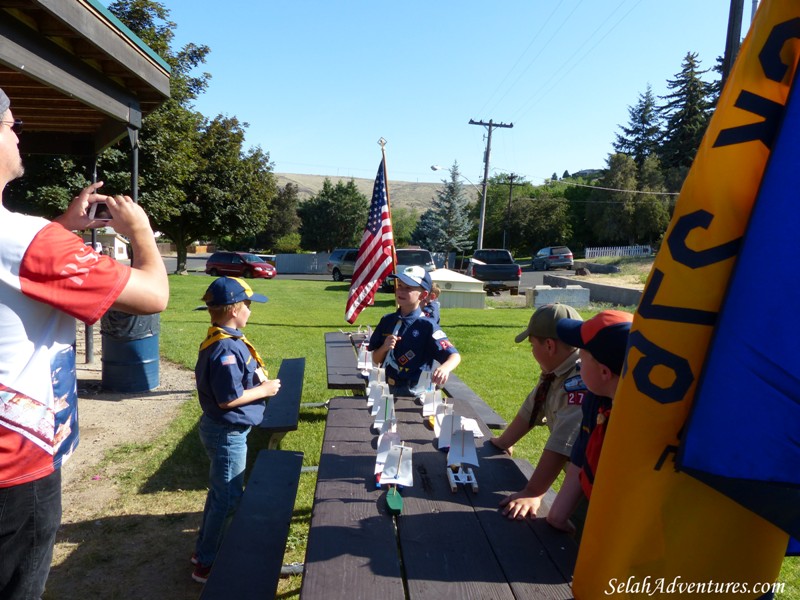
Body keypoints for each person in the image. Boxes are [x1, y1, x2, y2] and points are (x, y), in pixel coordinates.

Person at [0, 87, 169, 598]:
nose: (18, 133)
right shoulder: (28, 240)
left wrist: (63, 228)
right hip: (15, 464)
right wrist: (141, 233)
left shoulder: (31, 241)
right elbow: (153, 294)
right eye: (11, 125)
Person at [192, 276, 281, 583]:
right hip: (227, 433)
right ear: (234, 310)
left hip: (225, 430)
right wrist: (265, 390)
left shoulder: (225, 340)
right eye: (248, 305)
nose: (250, 312)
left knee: (221, 494)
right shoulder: (225, 350)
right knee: (228, 498)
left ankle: (203, 549)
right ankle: (207, 563)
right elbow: (229, 399)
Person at [492, 303, 587, 520]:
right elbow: (532, 409)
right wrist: (503, 442)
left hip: (598, 486)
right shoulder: (556, 370)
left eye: (532, 345)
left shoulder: (579, 381)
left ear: (550, 346)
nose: (532, 351)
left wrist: (533, 492)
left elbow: (564, 440)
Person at [545, 310, 633, 536]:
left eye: (581, 358)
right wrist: (558, 515)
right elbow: (582, 452)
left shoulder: (638, 421)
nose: (577, 363)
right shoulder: (597, 399)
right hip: (591, 498)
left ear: (604, 372)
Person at [369, 266, 460, 398]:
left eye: (408, 288)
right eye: (400, 285)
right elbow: (375, 359)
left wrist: (444, 368)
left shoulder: (427, 326)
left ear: (423, 295)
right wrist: (384, 347)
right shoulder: (387, 321)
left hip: (416, 393)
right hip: (386, 389)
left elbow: (454, 356)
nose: (401, 291)